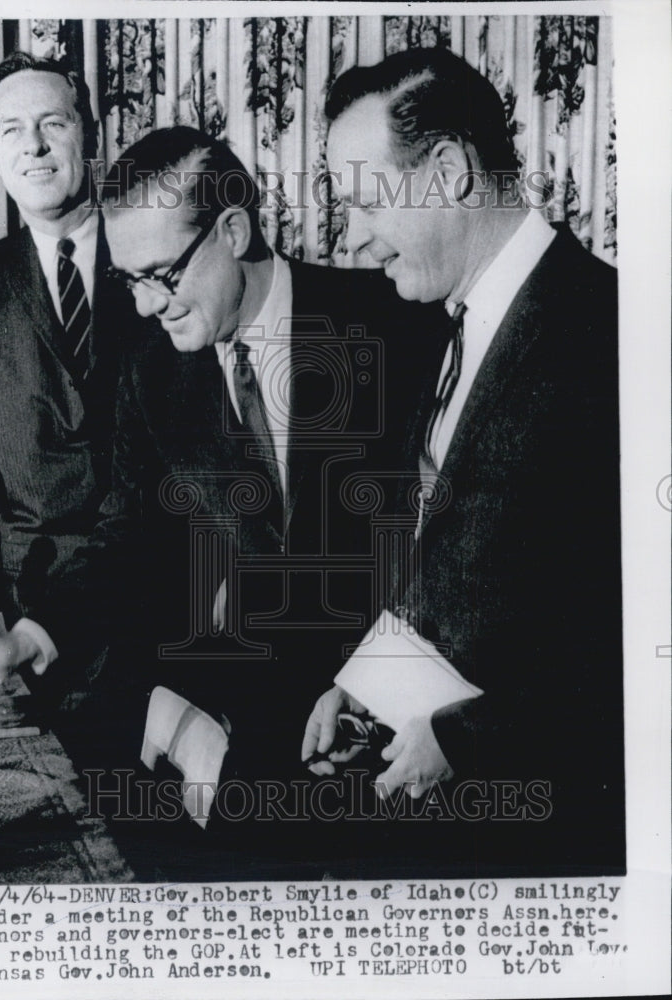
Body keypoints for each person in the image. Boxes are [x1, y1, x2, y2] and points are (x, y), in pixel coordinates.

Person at [0, 125, 442, 811]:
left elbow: (455, 535)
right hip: (274, 728)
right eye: (129, 281)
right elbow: (129, 537)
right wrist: (29, 635)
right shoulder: (153, 371)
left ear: (232, 232)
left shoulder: (395, 321)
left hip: (415, 721)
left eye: (162, 275)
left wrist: (391, 690)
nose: (147, 305)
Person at [302, 48, 623, 873]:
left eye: (365, 199)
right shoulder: (448, 326)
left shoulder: (606, 335)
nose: (357, 238)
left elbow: (626, 633)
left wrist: (462, 739)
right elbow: (452, 558)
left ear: (446, 170)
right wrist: (367, 686)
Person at [0, 52, 139, 759]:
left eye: (52, 122)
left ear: (92, 133)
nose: (34, 145)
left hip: (157, 593)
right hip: (30, 604)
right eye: (11, 129)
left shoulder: (153, 255)